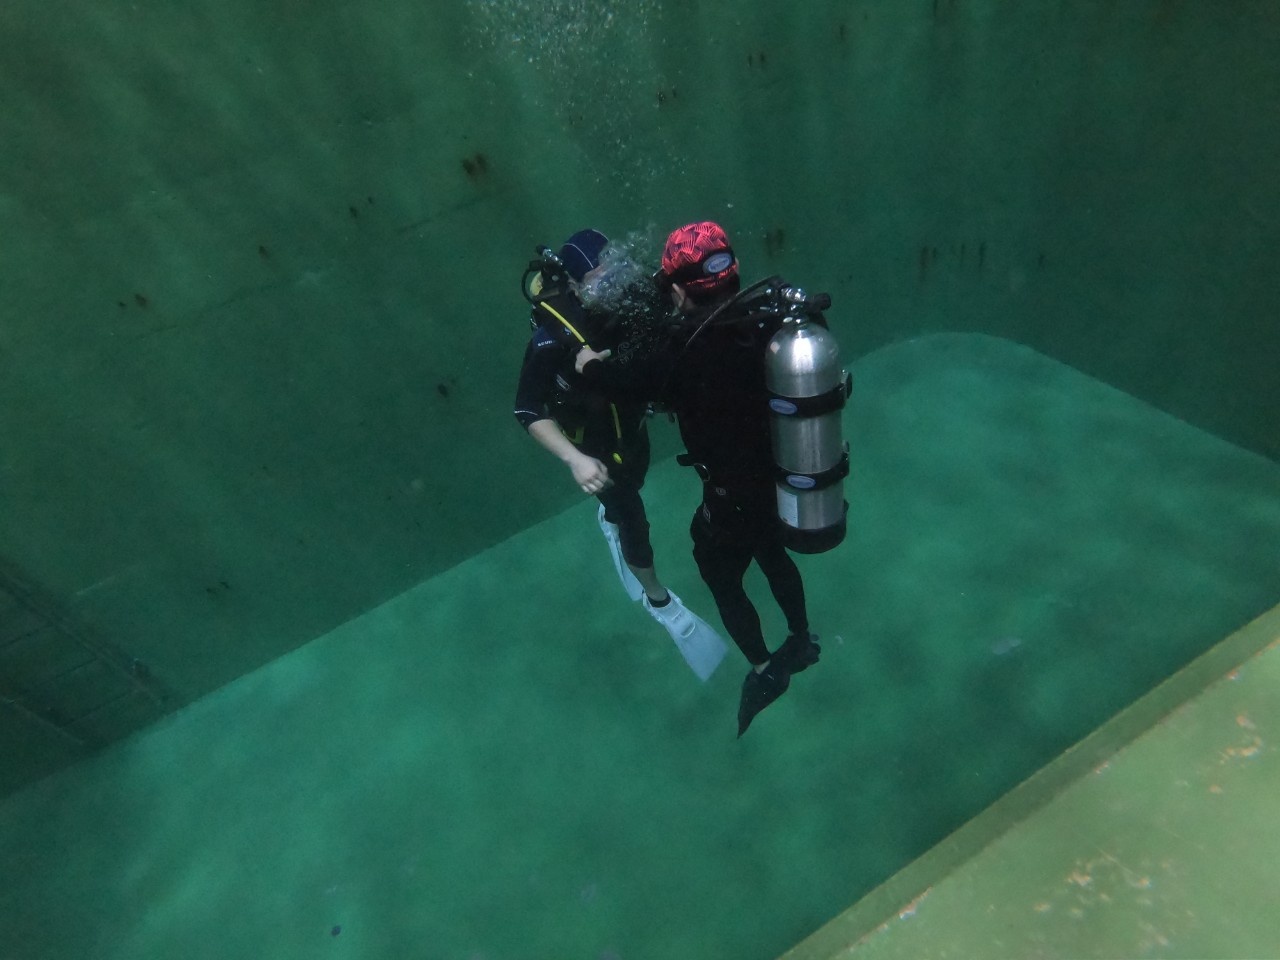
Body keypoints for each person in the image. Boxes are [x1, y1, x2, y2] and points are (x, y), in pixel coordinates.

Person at [576, 221, 823, 735]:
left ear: (680, 289)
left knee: (716, 567)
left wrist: (587, 363)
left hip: (732, 492)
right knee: (769, 550)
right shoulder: (765, 321)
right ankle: (801, 638)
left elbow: (621, 383)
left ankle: (764, 669)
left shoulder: (682, 353)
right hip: (778, 479)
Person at [513, 228, 727, 680]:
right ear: (575, 285)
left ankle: (610, 515)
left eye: (617, 262)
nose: (615, 278)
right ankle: (662, 604)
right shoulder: (553, 339)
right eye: (599, 273)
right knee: (632, 516)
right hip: (595, 448)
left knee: (638, 476)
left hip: (631, 430)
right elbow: (526, 407)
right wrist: (575, 459)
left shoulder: (638, 300)